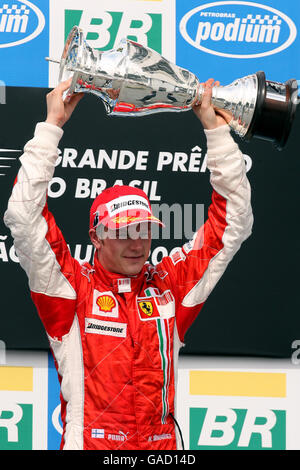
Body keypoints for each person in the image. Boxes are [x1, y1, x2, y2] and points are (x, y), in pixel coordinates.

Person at [4, 77, 253, 451]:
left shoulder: (170, 286)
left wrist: (216, 131)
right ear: (96, 237)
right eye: (123, 233)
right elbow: (24, 218)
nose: (138, 244)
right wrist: (51, 126)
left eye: (144, 230)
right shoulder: (70, 288)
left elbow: (233, 224)